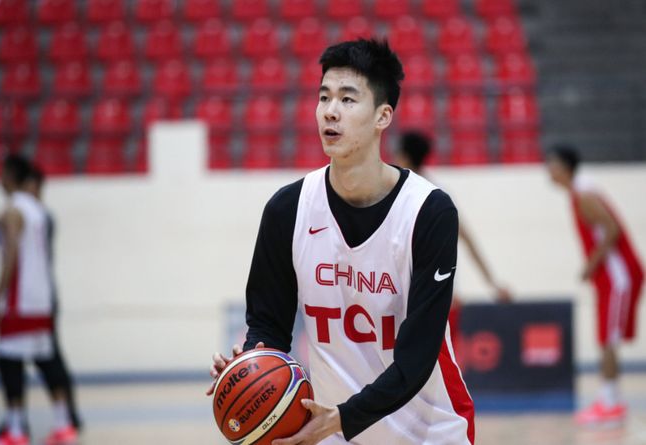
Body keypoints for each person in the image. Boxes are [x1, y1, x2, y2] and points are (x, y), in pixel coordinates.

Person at [208, 39, 474, 445]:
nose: (330, 111)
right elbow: (267, 324)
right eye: (324, 97)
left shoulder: (429, 212)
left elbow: (417, 358)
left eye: (348, 99)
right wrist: (251, 367)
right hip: (332, 430)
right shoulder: (287, 210)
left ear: (383, 116)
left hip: (429, 430)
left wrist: (342, 418)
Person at [546, 145, 643, 425]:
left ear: (565, 168)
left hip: (618, 276)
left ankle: (610, 403)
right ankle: (610, 399)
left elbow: (612, 229)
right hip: (610, 277)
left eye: (552, 165)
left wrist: (591, 264)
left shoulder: (584, 194)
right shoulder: (579, 192)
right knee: (606, 338)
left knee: (608, 339)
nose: (549, 172)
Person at [0, 155, 79, 445]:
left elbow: (11, 256)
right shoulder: (37, 209)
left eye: (2, 173)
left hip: (20, 300)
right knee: (47, 360)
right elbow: (8, 224)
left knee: (7, 361)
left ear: (10, 176)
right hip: (42, 299)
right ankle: (64, 424)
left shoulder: (14, 209)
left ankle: (15, 431)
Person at [393, 131, 511, 346]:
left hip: (412, 297)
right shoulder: (438, 193)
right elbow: (467, 239)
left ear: (404, 157)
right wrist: (492, 282)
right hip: (436, 295)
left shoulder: (401, 194)